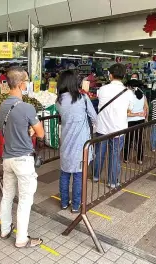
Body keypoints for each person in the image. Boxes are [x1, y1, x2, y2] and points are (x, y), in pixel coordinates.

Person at [0, 66, 45, 248]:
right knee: (25, 200)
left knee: (7, 195)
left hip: (7, 158)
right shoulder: (27, 107)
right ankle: (21, 239)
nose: (27, 84)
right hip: (23, 160)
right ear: (19, 84)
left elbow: (8, 128)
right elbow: (40, 133)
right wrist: (32, 131)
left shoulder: (3, 106)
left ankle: (5, 229)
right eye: (25, 81)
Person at [56, 70, 97, 213]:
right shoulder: (83, 99)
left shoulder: (58, 101)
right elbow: (94, 117)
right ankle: (75, 206)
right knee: (79, 175)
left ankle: (64, 203)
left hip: (66, 142)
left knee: (65, 173)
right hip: (81, 145)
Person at [93, 63, 134, 188]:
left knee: (99, 152)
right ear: (124, 76)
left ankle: (95, 175)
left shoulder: (102, 89)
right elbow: (129, 110)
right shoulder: (128, 93)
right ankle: (112, 181)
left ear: (110, 75)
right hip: (118, 129)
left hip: (102, 128)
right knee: (115, 154)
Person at [123, 79, 148, 164]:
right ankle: (140, 159)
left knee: (128, 140)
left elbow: (127, 113)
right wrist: (142, 115)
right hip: (140, 121)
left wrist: (136, 114)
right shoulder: (143, 96)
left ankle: (126, 158)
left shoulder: (129, 97)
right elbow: (145, 107)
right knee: (139, 140)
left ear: (130, 87)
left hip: (130, 121)